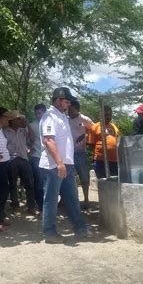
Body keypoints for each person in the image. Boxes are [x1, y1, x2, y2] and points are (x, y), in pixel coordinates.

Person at [39, 87, 90, 244]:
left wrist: (65, 164)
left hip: (65, 164)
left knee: (72, 198)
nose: (68, 104)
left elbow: (88, 125)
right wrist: (60, 163)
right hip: (53, 166)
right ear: (58, 100)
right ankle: (50, 233)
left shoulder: (62, 116)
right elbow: (48, 141)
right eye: (66, 101)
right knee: (51, 200)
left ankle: (80, 227)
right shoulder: (49, 117)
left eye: (69, 102)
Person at [5, 110, 38, 215]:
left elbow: (33, 138)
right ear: (12, 120)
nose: (20, 120)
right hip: (11, 159)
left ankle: (31, 207)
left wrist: (27, 123)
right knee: (13, 184)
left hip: (24, 159)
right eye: (18, 118)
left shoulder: (23, 130)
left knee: (29, 183)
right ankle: (15, 206)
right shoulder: (5, 131)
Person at [68, 100, 93, 209]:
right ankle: (68, 200)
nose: (69, 111)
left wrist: (84, 137)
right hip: (68, 153)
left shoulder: (84, 119)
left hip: (80, 152)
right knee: (68, 177)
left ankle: (86, 199)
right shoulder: (65, 119)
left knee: (84, 176)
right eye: (68, 109)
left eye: (71, 109)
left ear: (77, 109)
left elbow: (93, 130)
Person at [87, 105, 121, 179]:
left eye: (110, 114)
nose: (108, 116)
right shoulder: (95, 127)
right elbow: (91, 144)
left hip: (115, 161)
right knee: (103, 183)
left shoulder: (114, 127)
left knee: (115, 183)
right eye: (106, 115)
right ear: (101, 115)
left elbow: (118, 141)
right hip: (100, 161)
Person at [28, 104, 46, 211]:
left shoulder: (51, 124)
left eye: (39, 113)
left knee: (47, 182)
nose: (38, 115)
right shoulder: (32, 125)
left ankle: (47, 203)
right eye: (36, 113)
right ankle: (41, 205)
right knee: (38, 182)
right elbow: (28, 140)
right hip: (36, 157)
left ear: (45, 112)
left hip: (48, 157)